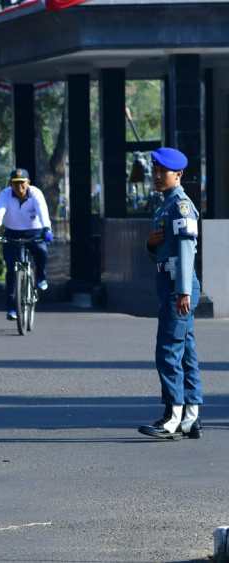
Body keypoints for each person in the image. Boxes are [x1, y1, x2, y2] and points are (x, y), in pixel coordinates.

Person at [138, 147, 203, 440]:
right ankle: (190, 417)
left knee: (168, 351)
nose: (156, 176)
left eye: (162, 171)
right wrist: (151, 246)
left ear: (178, 175)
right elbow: (162, 250)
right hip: (172, 283)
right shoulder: (165, 205)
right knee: (186, 351)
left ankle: (172, 416)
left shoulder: (180, 206)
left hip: (180, 285)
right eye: (155, 170)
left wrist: (183, 291)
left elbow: (187, 249)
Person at [0, 168, 54, 320]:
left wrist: (47, 229)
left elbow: (43, 212)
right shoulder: (5, 194)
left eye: (22, 183)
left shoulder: (36, 193)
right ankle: (11, 307)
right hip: (12, 233)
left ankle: (41, 276)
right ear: (10, 184)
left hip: (34, 231)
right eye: (15, 184)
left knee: (42, 251)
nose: (19, 187)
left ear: (28, 183)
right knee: (11, 270)